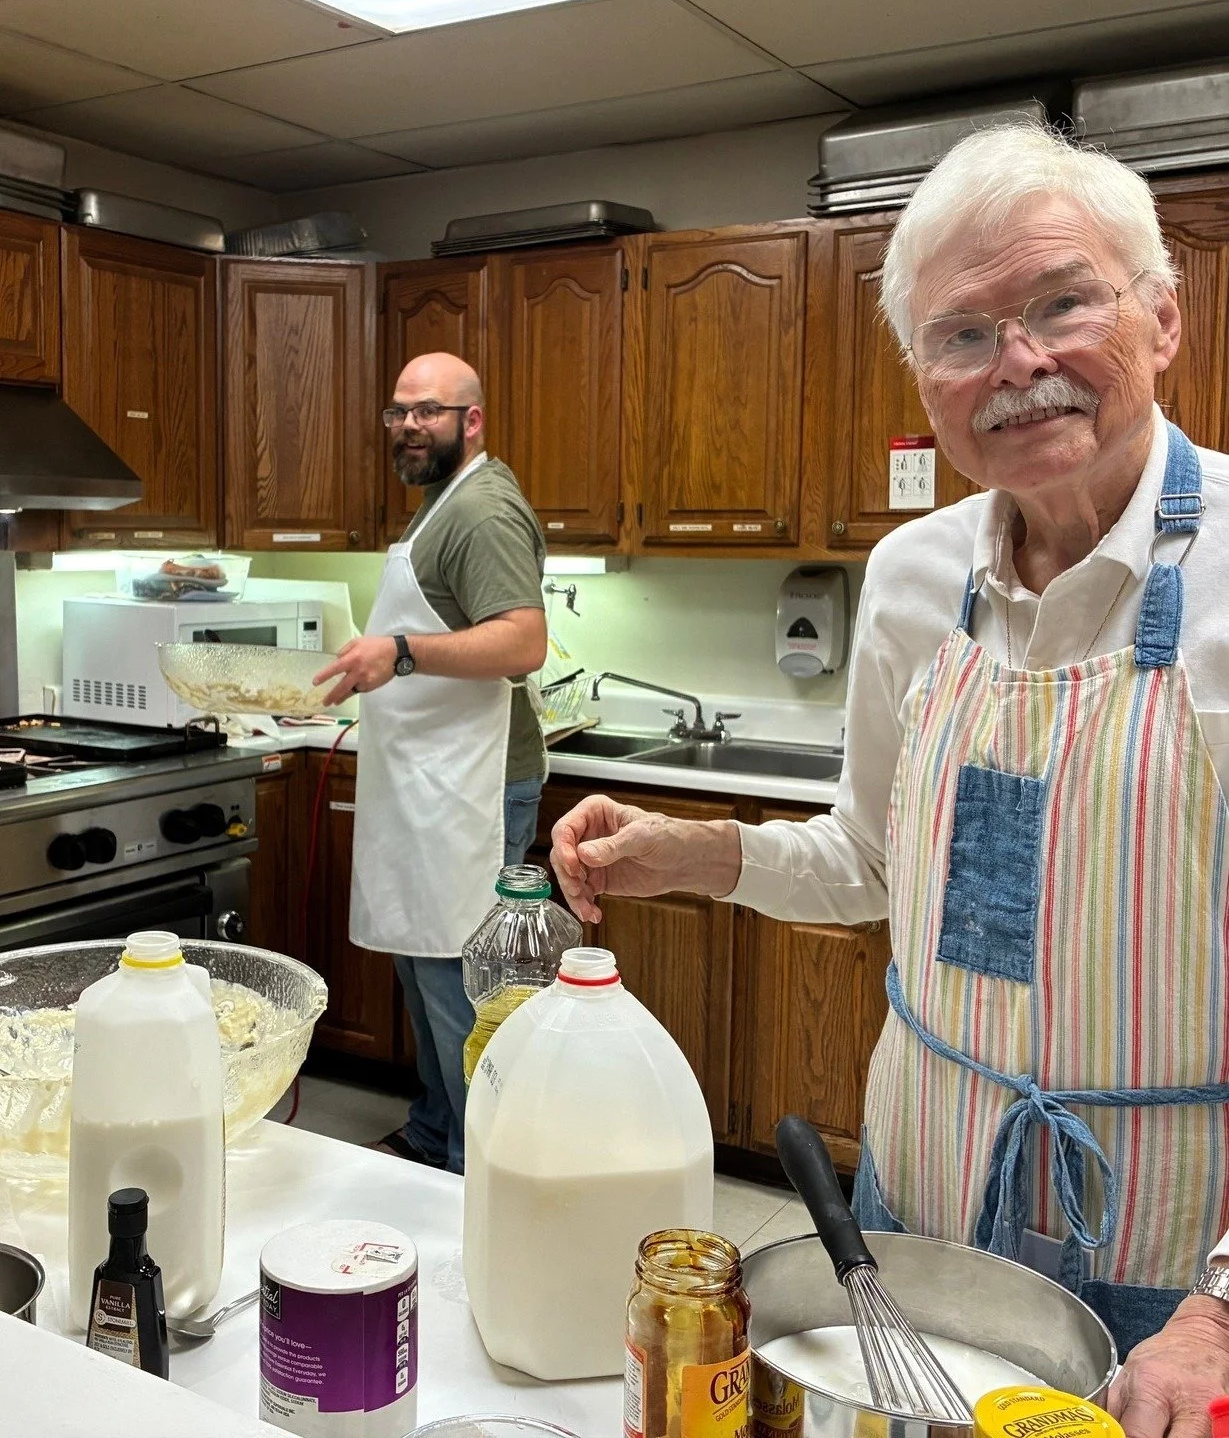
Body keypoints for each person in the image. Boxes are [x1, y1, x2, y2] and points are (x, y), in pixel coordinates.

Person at [551, 126, 1229, 1434]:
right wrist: (684, 851)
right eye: (961, 334)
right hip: (912, 1214)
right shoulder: (917, 579)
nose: (1018, 366)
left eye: (1061, 302)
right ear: (923, 378)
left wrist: (1220, 1310)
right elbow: (871, 864)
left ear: (1162, 319)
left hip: (1172, 1268)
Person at [318, 351, 547, 1175]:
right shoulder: (439, 505)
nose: (409, 426)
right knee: (424, 969)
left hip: (474, 785)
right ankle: (429, 1132)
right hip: (430, 779)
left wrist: (403, 653)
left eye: (429, 412)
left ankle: (471, 1169)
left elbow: (523, 641)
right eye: (398, 412)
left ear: (471, 421)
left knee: (459, 986)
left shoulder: (481, 509)